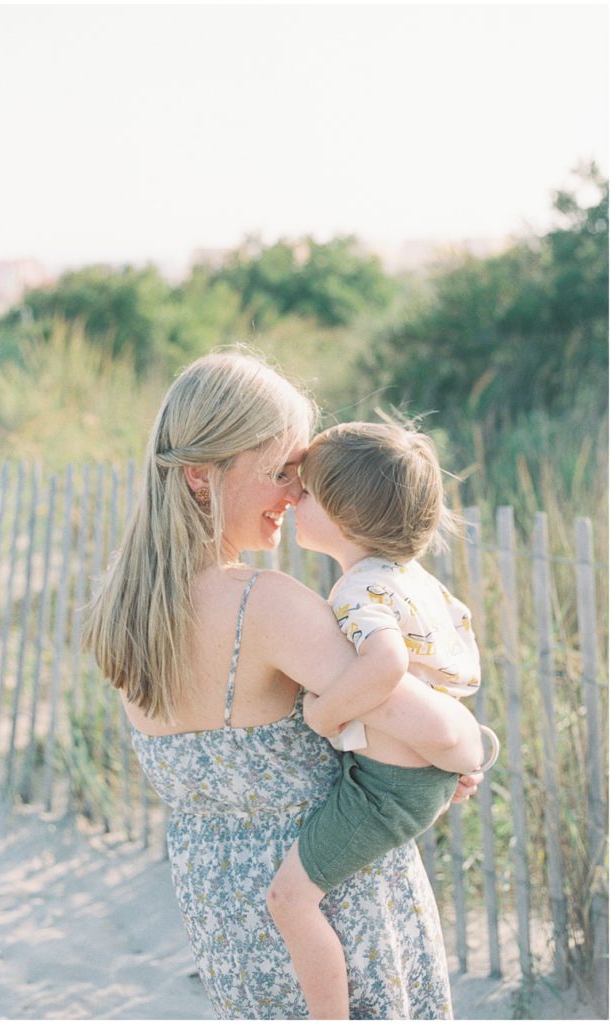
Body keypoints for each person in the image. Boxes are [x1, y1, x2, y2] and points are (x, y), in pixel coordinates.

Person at [82, 348, 483, 1020]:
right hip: (335, 905)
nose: (297, 495)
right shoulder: (264, 606)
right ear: (201, 478)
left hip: (225, 916)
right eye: (281, 473)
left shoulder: (125, 611)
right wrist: (470, 751)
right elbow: (439, 731)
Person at [266, 417, 499, 1019]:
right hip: (416, 772)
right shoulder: (414, 582)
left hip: (385, 793)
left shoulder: (356, 591)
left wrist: (322, 713)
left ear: (344, 516)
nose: (294, 498)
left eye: (308, 492)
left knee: (289, 900)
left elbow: (388, 663)